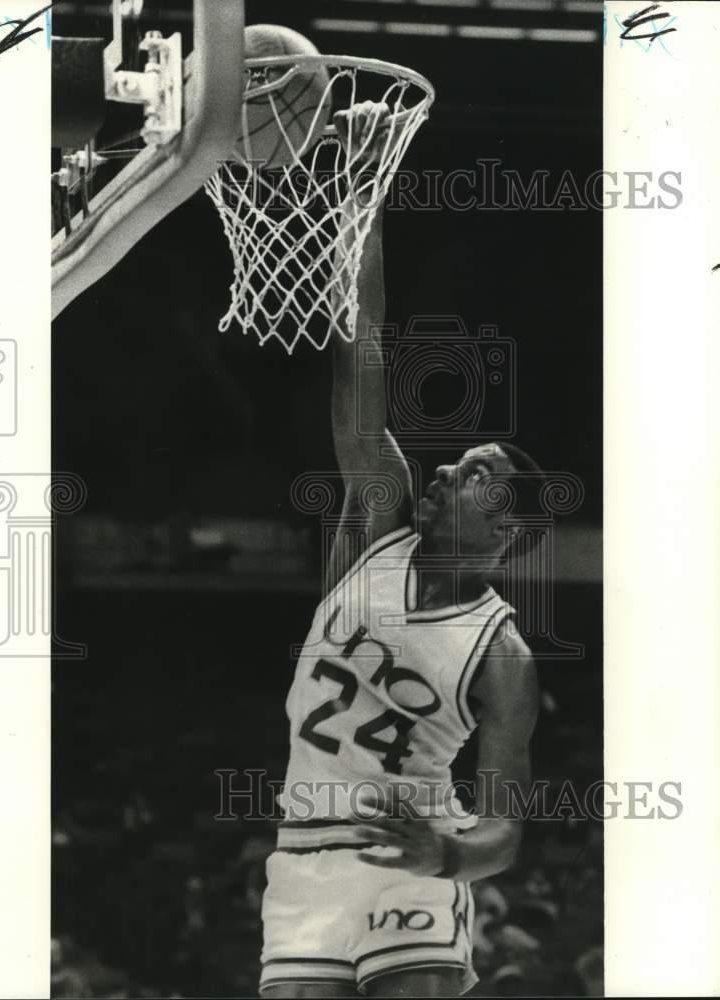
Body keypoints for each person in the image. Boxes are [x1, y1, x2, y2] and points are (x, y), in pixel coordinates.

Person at [260, 102, 541, 999]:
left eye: (474, 475)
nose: (449, 469)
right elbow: (363, 354)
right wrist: (364, 198)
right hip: (302, 860)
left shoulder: (501, 656)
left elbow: (504, 833)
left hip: (409, 862)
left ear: (505, 531)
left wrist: (446, 852)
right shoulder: (375, 521)